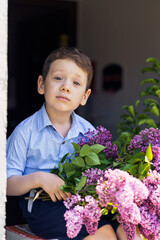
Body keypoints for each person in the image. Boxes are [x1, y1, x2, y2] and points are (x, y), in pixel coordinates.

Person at [6, 47, 142, 240]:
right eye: (58, 78)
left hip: (82, 201)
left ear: (85, 96)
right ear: (41, 84)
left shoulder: (89, 133)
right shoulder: (25, 132)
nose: (66, 87)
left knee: (129, 225)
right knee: (104, 234)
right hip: (43, 206)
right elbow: (6, 183)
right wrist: (40, 179)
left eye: (76, 83)